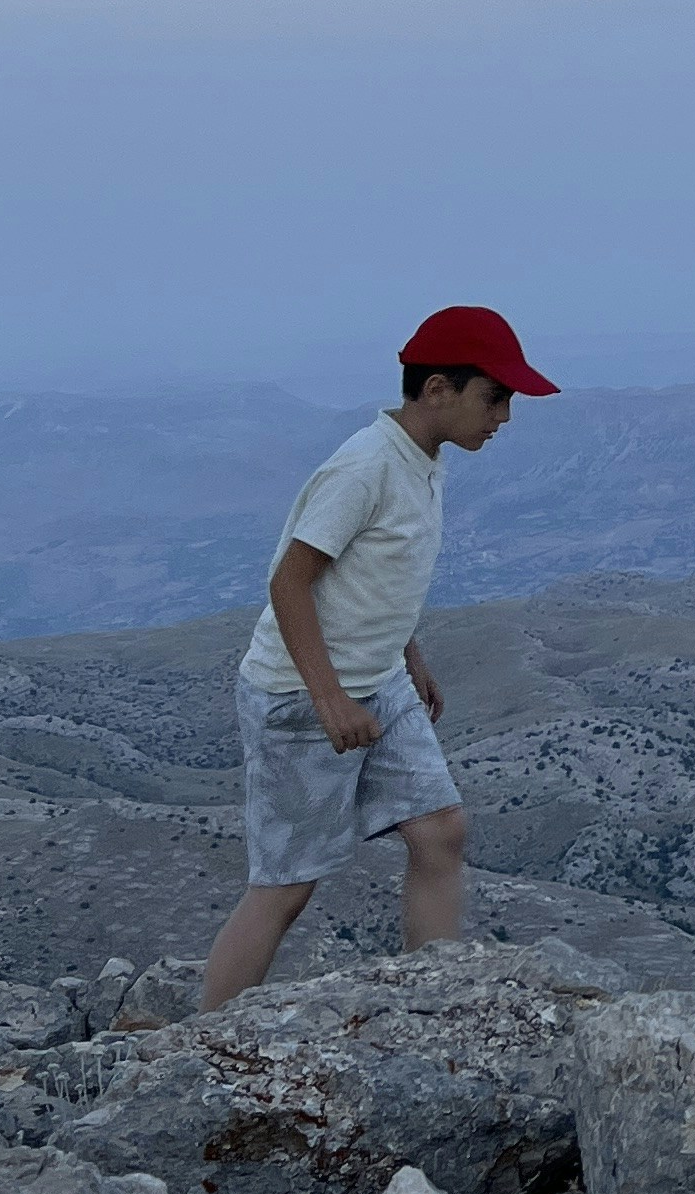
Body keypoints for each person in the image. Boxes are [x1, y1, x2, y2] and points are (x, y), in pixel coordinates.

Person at [198, 305, 556, 1011]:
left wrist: (407, 653)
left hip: (378, 679)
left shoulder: (425, 459)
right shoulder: (364, 467)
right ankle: (200, 1041)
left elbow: (373, 579)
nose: (506, 416)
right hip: (300, 698)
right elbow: (290, 579)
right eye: (496, 396)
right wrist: (331, 699)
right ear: (437, 391)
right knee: (285, 887)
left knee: (441, 830)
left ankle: (431, 1005)